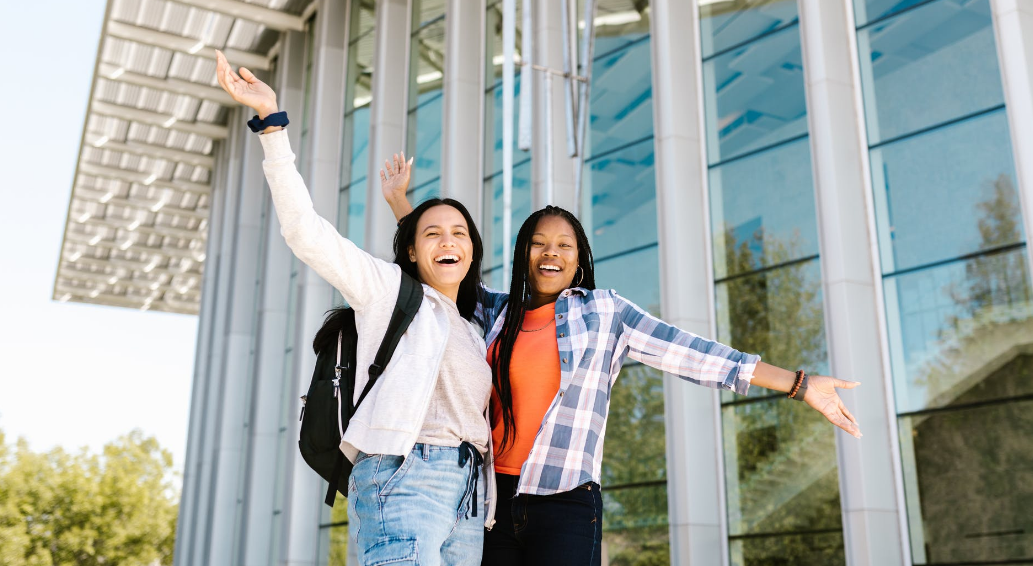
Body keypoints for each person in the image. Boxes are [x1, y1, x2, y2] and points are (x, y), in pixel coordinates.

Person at [380, 163, 862, 566]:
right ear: (523, 254)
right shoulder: (495, 312)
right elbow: (441, 259)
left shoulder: (605, 313)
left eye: (564, 245)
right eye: (539, 243)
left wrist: (799, 384)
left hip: (566, 501)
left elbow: (694, 353)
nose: (551, 253)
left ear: (578, 259)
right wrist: (401, 203)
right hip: (490, 503)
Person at [215, 51, 496, 566]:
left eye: (460, 233)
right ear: (411, 250)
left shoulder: (473, 326)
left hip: (469, 495)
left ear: (473, 250)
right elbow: (306, 232)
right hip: (407, 477)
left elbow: (437, 261)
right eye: (432, 234)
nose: (448, 241)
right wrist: (271, 126)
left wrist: (404, 207)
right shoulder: (388, 292)